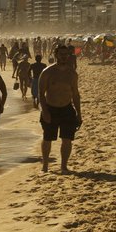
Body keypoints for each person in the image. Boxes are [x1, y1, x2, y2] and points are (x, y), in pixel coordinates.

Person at [38, 45, 82, 173]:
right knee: (47, 138)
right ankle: (45, 165)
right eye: (61, 54)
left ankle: (64, 166)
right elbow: (41, 93)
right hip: (51, 109)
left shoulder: (72, 73)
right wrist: (45, 111)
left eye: (66, 54)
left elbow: (75, 94)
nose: (64, 56)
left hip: (67, 109)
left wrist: (79, 114)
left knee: (67, 139)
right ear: (56, 55)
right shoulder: (47, 72)